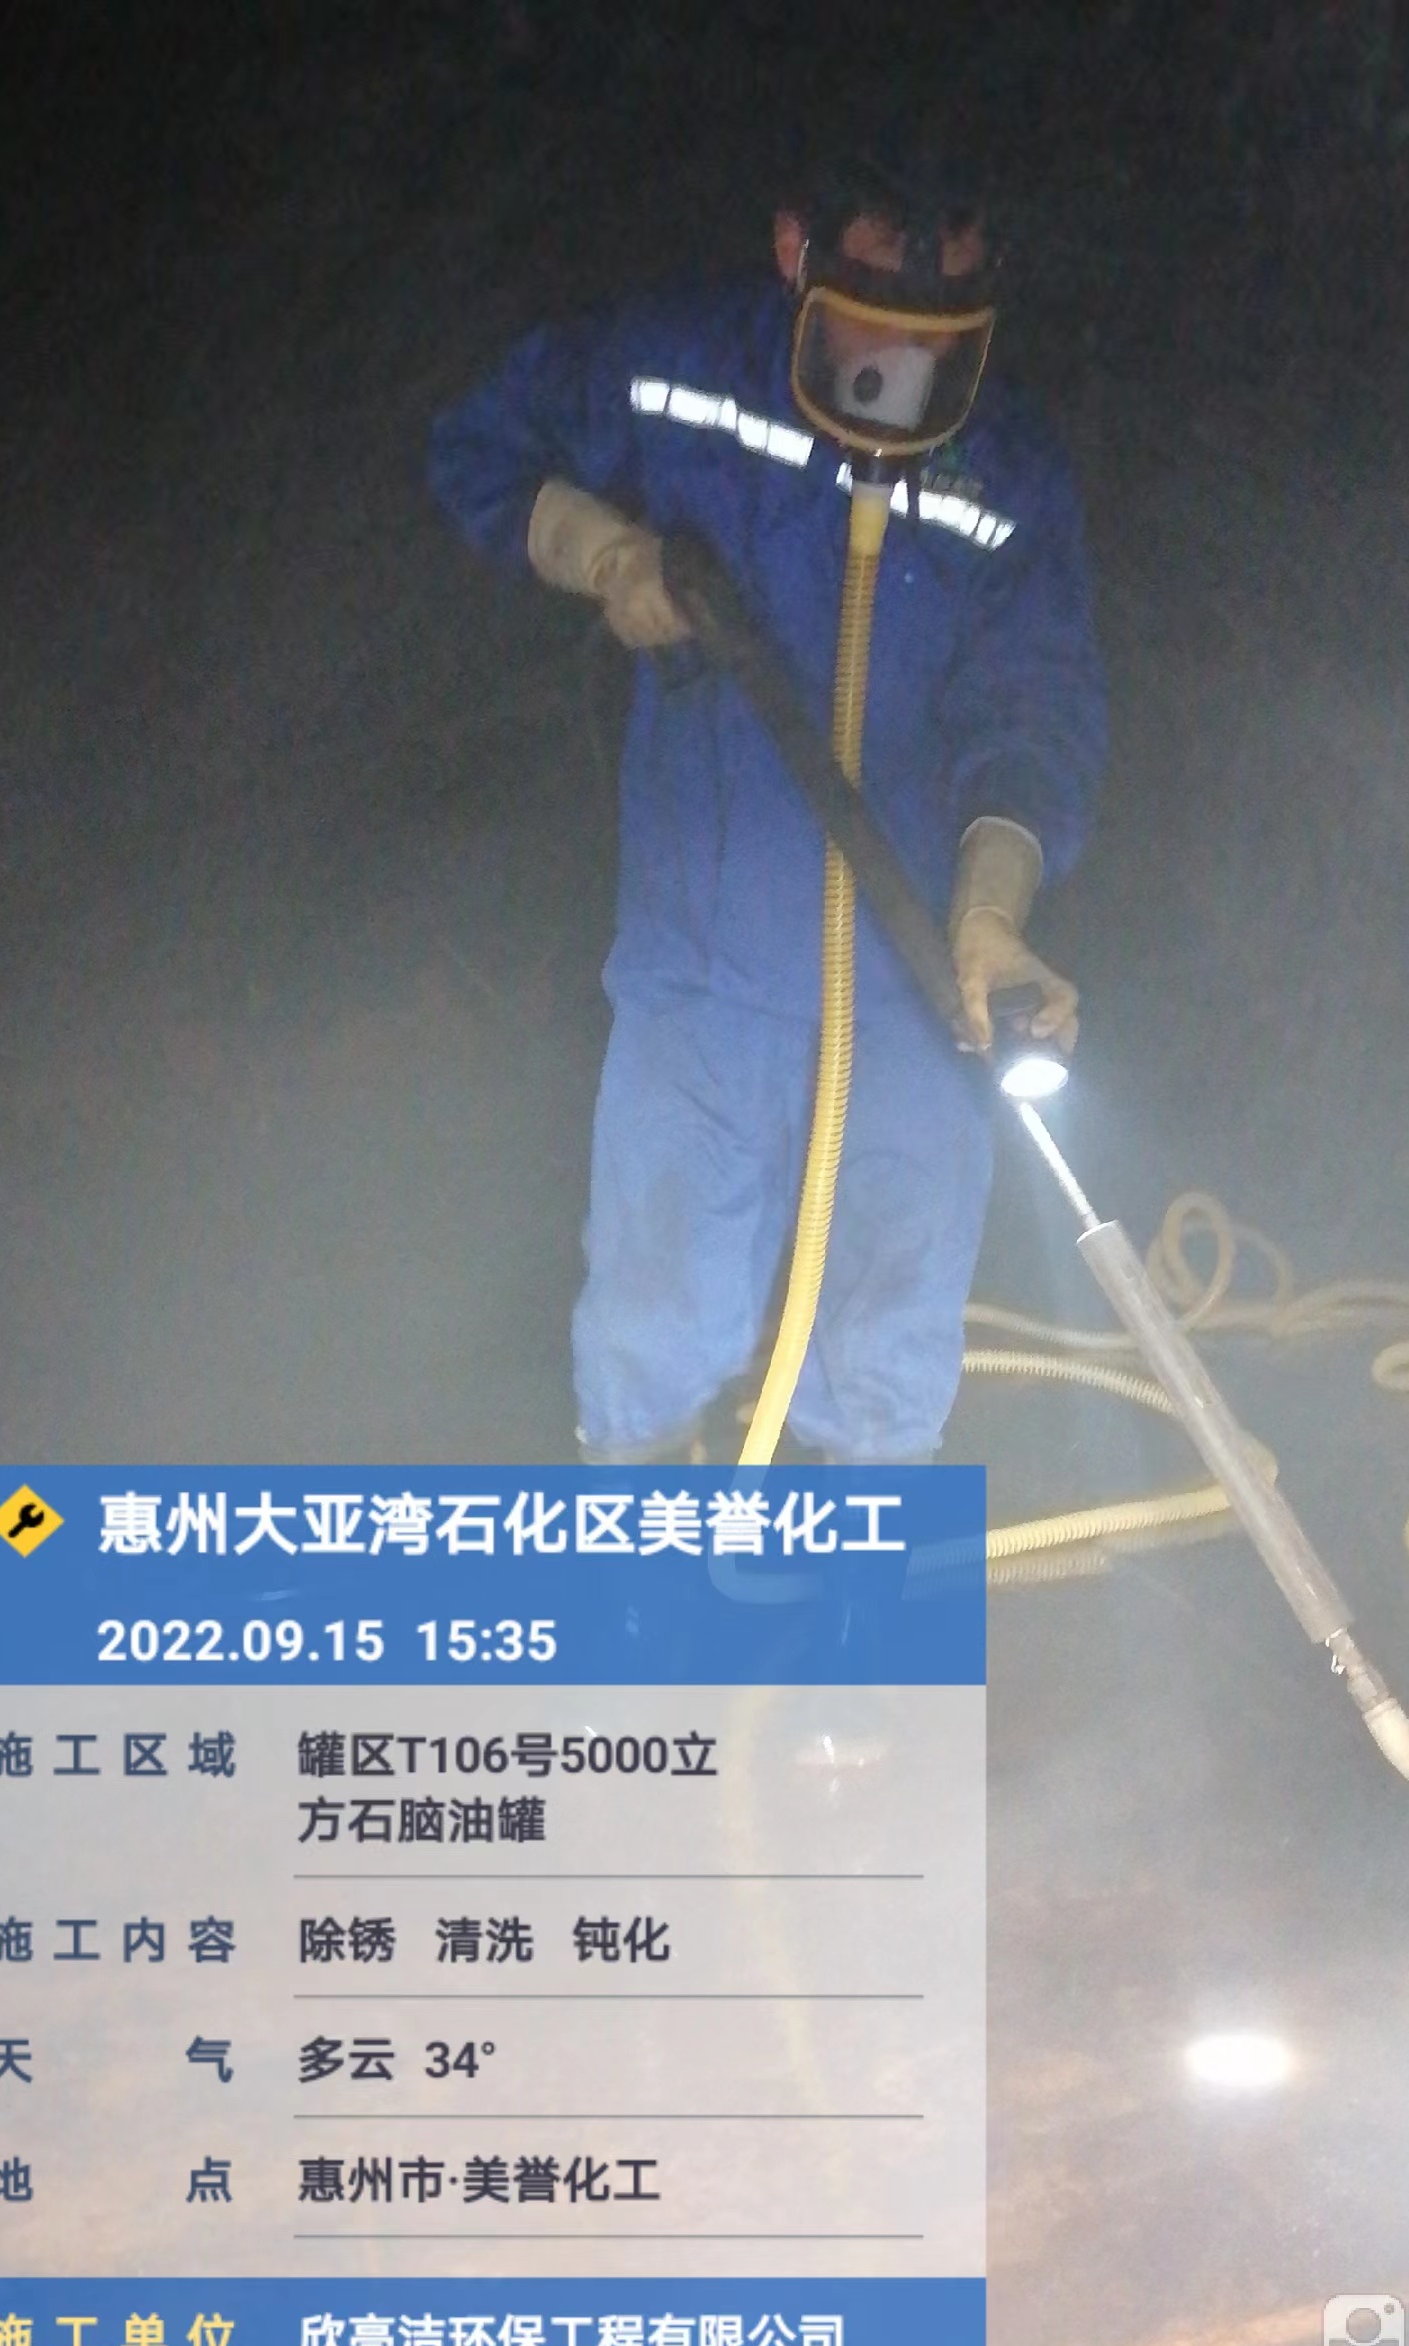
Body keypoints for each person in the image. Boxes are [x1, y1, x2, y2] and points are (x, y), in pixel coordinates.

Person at [429, 138, 1107, 1466]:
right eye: (872, 324)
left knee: (888, 1339)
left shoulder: (1010, 473)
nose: (902, 373)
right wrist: (606, 553)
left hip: (919, 984)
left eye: (941, 343)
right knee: (658, 1316)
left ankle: (852, 1568)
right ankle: (639, 1538)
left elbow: (1035, 716)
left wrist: (991, 917)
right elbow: (477, 449)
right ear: (798, 257)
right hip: (703, 969)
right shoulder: (674, 367)